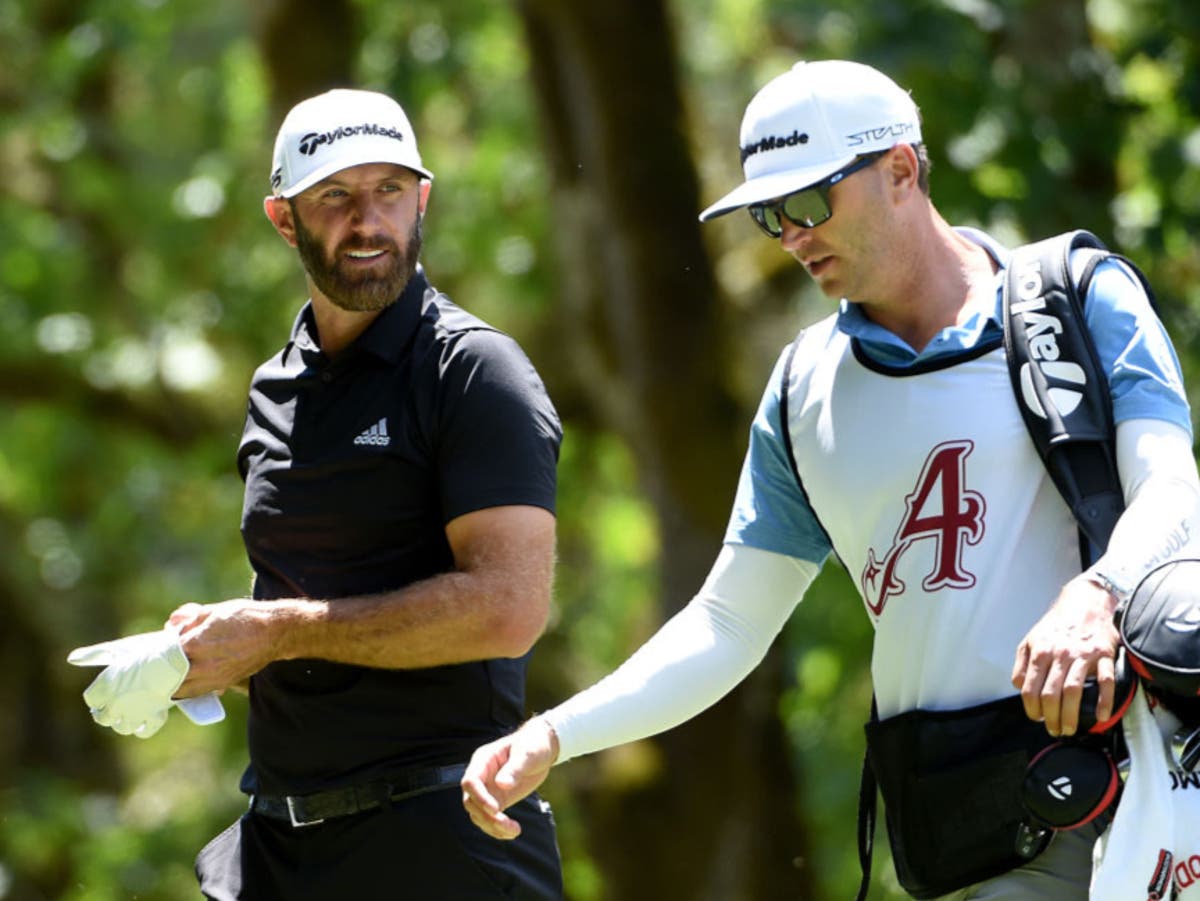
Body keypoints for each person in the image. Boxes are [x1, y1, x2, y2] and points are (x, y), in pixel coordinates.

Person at [461, 59, 1200, 899]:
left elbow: (1173, 490)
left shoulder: (1076, 293)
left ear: (900, 170)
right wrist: (556, 734)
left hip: (1153, 790)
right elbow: (729, 623)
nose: (792, 234)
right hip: (975, 829)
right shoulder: (801, 390)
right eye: (769, 215)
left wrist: (1096, 594)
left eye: (810, 201)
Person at [168, 88, 565, 900]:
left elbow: (510, 606)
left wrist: (273, 632)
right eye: (335, 197)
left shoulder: (474, 371)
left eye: (389, 190)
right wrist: (220, 647)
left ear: (421, 200)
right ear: (285, 220)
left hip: (441, 844)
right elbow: (306, 610)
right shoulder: (274, 386)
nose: (368, 221)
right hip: (278, 844)